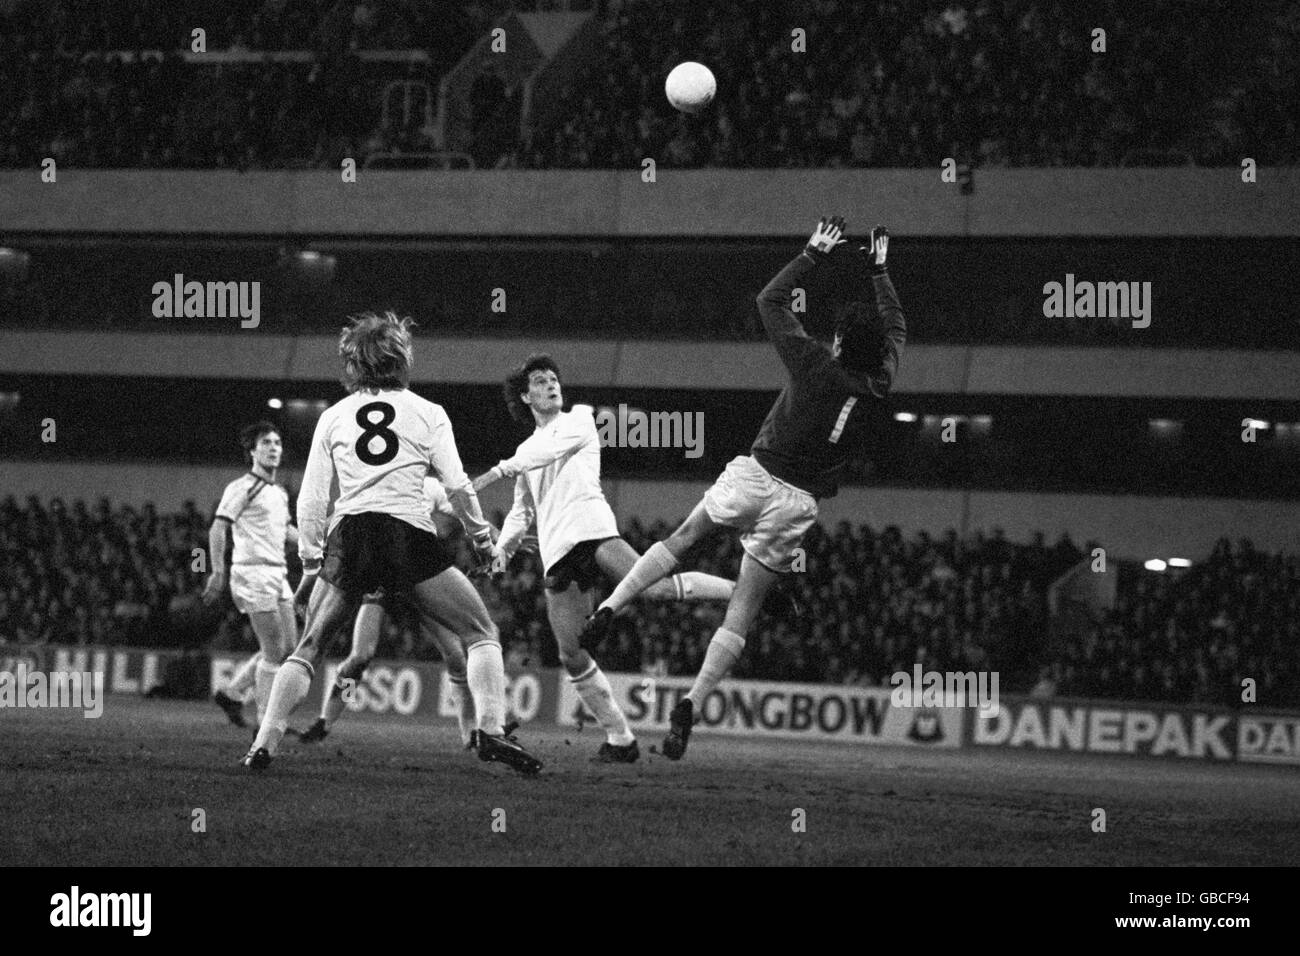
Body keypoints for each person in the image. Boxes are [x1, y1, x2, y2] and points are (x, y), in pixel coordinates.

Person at [582, 217, 906, 760]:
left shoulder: (815, 364)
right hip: (798, 503)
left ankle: (610, 608)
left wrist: (811, 254)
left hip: (758, 473)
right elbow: (896, 328)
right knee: (746, 607)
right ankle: (691, 702)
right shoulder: (879, 383)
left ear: (840, 341)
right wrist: (879, 272)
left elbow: (769, 300)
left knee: (685, 537)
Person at [241, 311, 541, 774]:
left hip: (353, 536)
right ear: (402, 358)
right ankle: (490, 731)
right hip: (407, 538)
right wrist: (482, 542)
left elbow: (314, 499)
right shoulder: (429, 412)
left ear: (353, 364)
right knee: (481, 633)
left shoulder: (334, 417)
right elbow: (459, 487)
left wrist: (310, 562)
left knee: (310, 647)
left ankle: (263, 744)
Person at [472, 355, 747, 763]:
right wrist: (503, 552)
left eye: (554, 379)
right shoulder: (526, 448)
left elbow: (547, 452)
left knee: (652, 589)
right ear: (526, 396)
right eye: (541, 381)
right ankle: (621, 738)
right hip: (557, 553)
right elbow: (522, 511)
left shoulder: (579, 419)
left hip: (594, 532)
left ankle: (741, 593)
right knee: (571, 654)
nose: (551, 385)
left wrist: (493, 473)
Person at [297, 478, 483, 747]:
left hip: (417, 577)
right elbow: (340, 518)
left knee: (456, 656)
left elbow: (462, 511)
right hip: (382, 579)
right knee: (361, 657)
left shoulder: (428, 485)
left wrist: (494, 533)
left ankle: (470, 733)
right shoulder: (373, 478)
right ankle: (326, 719)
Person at [203, 421, 298, 729]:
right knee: (274, 652)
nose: (274, 448)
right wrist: (217, 570)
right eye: (266, 443)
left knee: (289, 648)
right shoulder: (243, 486)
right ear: (252, 451)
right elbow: (219, 526)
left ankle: (232, 694)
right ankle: (266, 726)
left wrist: (317, 546)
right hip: (252, 574)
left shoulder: (279, 492)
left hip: (278, 574)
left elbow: (285, 530)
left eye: (277, 443)